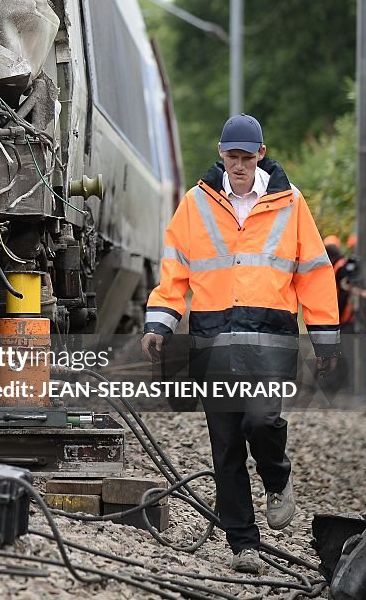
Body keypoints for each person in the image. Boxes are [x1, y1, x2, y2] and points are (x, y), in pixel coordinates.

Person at [141, 114, 340, 575]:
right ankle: (243, 545)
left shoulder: (291, 204)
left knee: (262, 420)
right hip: (214, 342)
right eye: (232, 157)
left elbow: (314, 272)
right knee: (226, 444)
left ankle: (277, 478)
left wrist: (326, 341)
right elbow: (175, 271)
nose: (239, 166)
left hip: (271, 341)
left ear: (261, 155)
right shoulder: (195, 204)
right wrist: (160, 323)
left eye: (247, 158)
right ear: (221, 153)